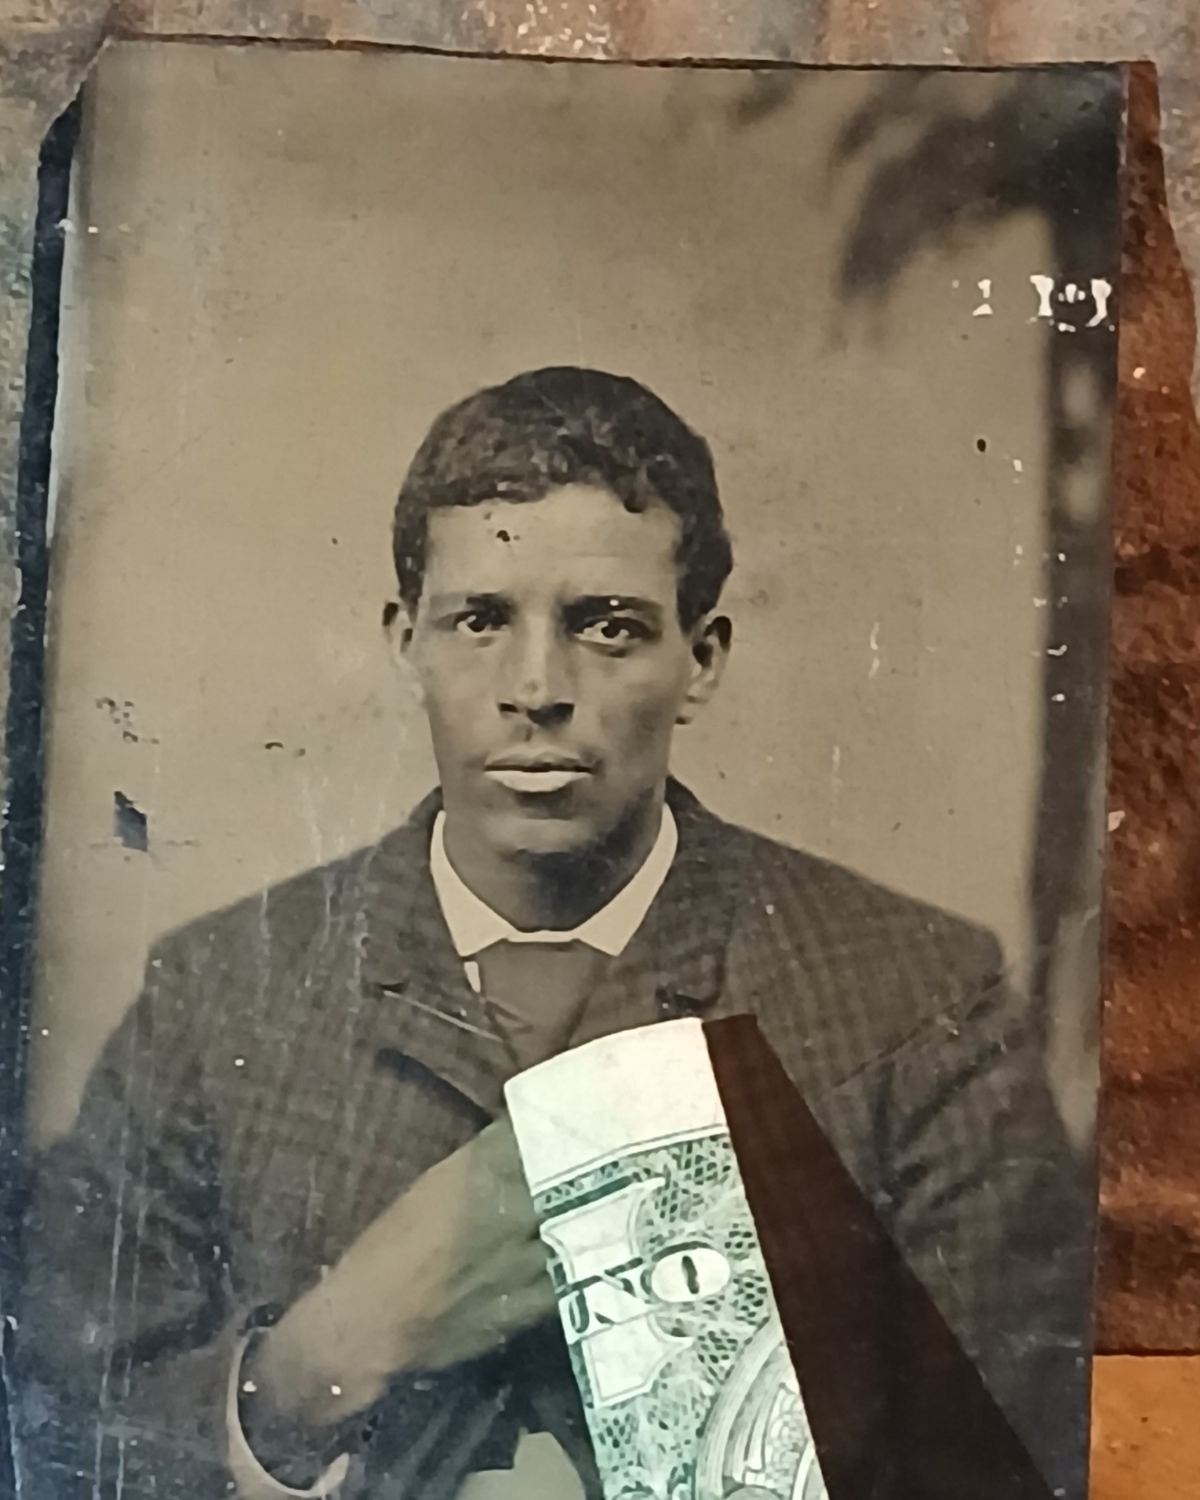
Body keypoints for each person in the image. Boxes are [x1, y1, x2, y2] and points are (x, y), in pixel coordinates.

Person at [18, 367, 1091, 1500]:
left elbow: (1023, 1459)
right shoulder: (216, 991)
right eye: (480, 620)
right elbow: (59, 1436)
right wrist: (328, 1352)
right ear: (405, 643)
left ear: (702, 659)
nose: (537, 686)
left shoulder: (920, 999)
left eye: (609, 627)